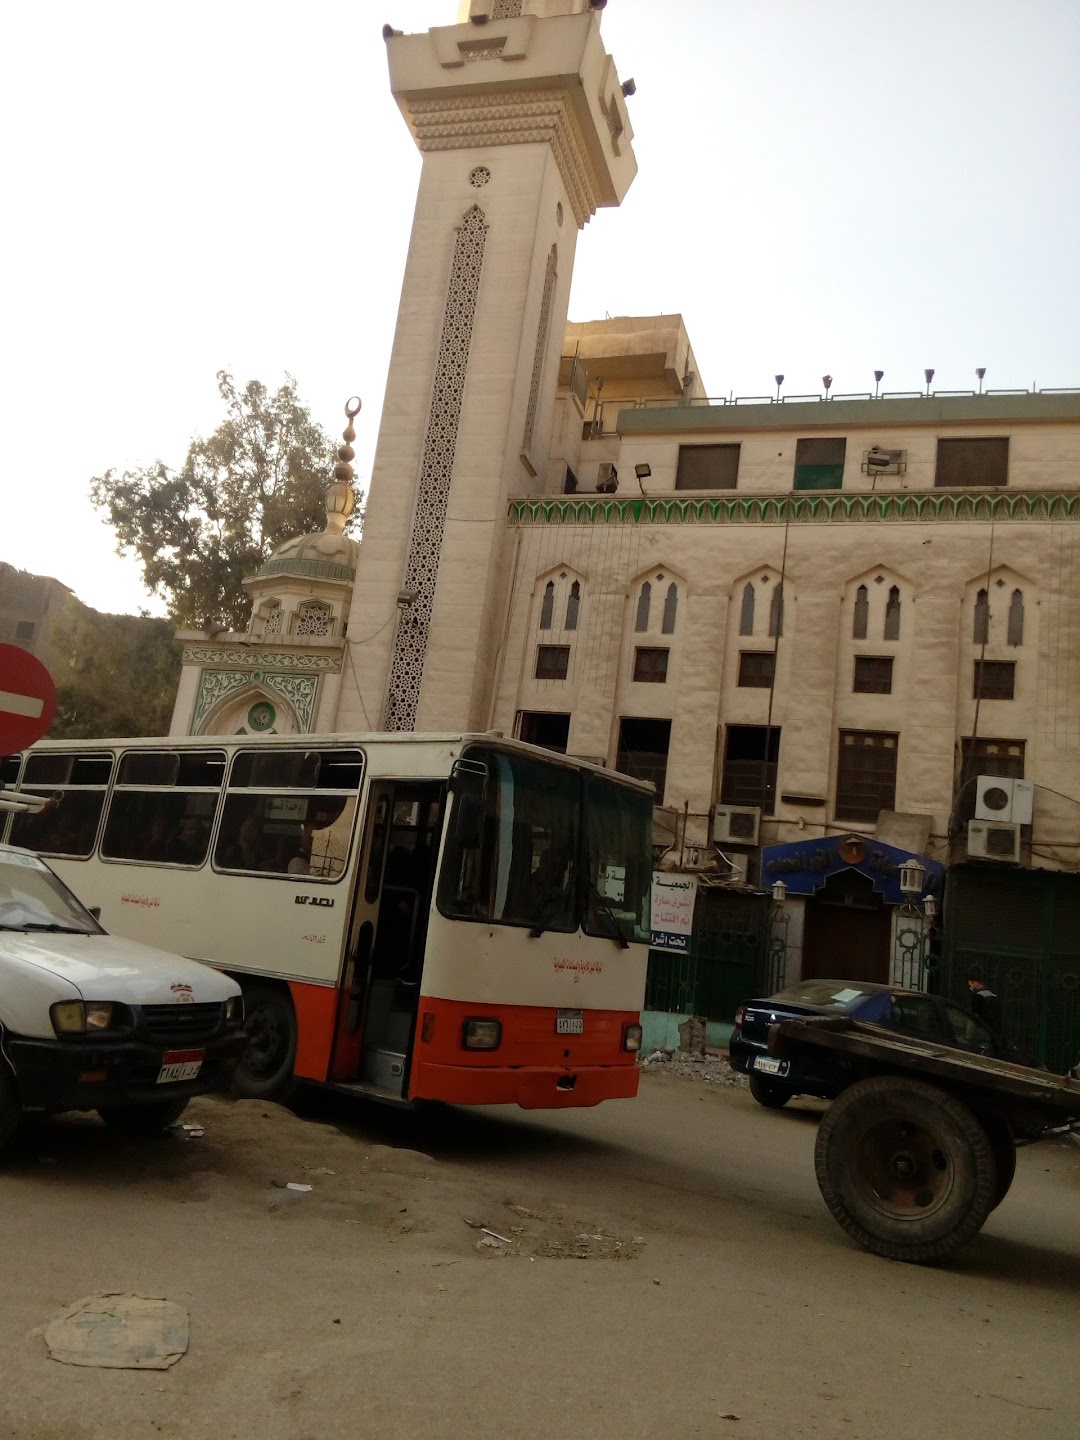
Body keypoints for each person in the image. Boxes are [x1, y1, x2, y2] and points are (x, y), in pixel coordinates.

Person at [967, 966, 1003, 1032]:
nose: (970, 988)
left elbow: (973, 1021)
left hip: (980, 1034)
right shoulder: (994, 997)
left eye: (970, 985)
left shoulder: (977, 998)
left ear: (976, 984)